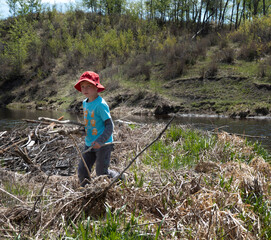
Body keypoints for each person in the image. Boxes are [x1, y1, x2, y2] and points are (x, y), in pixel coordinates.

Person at [74, 71, 119, 187]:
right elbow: (90, 123)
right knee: (82, 170)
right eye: (82, 86)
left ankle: (118, 177)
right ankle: (87, 191)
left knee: (101, 173)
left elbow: (110, 126)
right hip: (89, 143)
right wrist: (82, 131)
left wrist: (100, 141)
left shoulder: (101, 104)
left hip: (103, 145)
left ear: (96, 87)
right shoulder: (85, 103)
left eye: (89, 86)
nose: (85, 89)